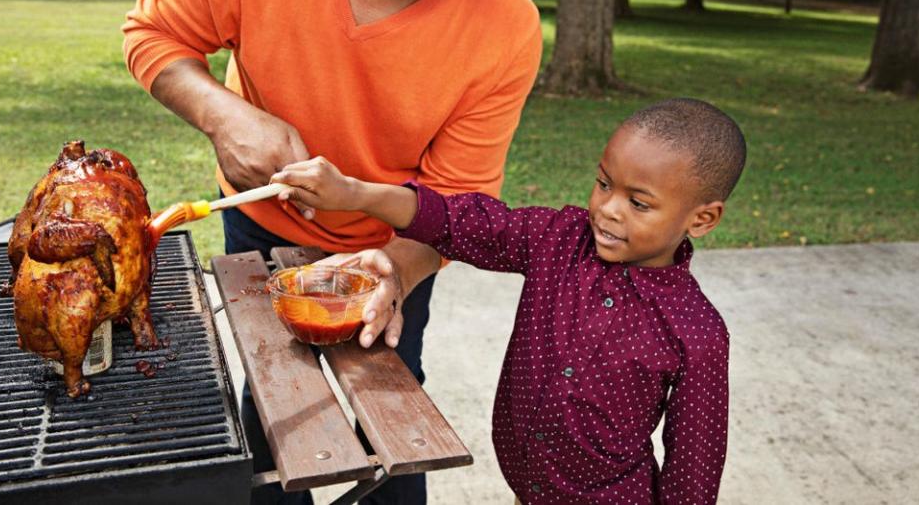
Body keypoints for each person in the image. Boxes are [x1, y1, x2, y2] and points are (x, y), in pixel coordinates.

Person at [122, 0, 541, 505]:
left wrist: (394, 273)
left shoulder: (506, 24)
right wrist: (226, 116)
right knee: (272, 408)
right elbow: (153, 34)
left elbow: (458, 201)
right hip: (259, 218)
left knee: (396, 429)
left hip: (392, 243)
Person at [271, 98, 746, 504]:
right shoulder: (557, 238)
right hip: (527, 486)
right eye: (604, 184)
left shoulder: (697, 332)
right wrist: (353, 192)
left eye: (638, 203)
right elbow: (456, 222)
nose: (607, 208)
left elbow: (693, 471)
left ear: (702, 219)